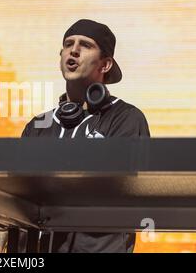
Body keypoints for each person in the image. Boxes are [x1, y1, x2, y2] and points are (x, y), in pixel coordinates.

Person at [21, 19, 150, 253]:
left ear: (106, 64)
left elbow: (115, 190)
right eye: (68, 44)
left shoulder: (126, 118)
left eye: (86, 45)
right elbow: (16, 199)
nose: (74, 50)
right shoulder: (38, 126)